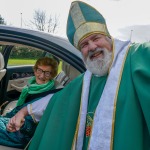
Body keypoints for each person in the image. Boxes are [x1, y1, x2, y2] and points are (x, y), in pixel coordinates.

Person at [6, 1, 150, 150]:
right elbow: (57, 100)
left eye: (96, 38)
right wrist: (23, 111)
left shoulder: (136, 58)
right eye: (84, 44)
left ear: (109, 38)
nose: (92, 47)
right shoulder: (86, 80)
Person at [0, 56, 59, 148]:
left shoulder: (48, 96)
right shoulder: (33, 86)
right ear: (35, 70)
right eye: (39, 70)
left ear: (52, 75)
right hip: (15, 125)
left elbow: (32, 126)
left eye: (47, 73)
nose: (41, 76)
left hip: (18, 135)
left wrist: (19, 123)